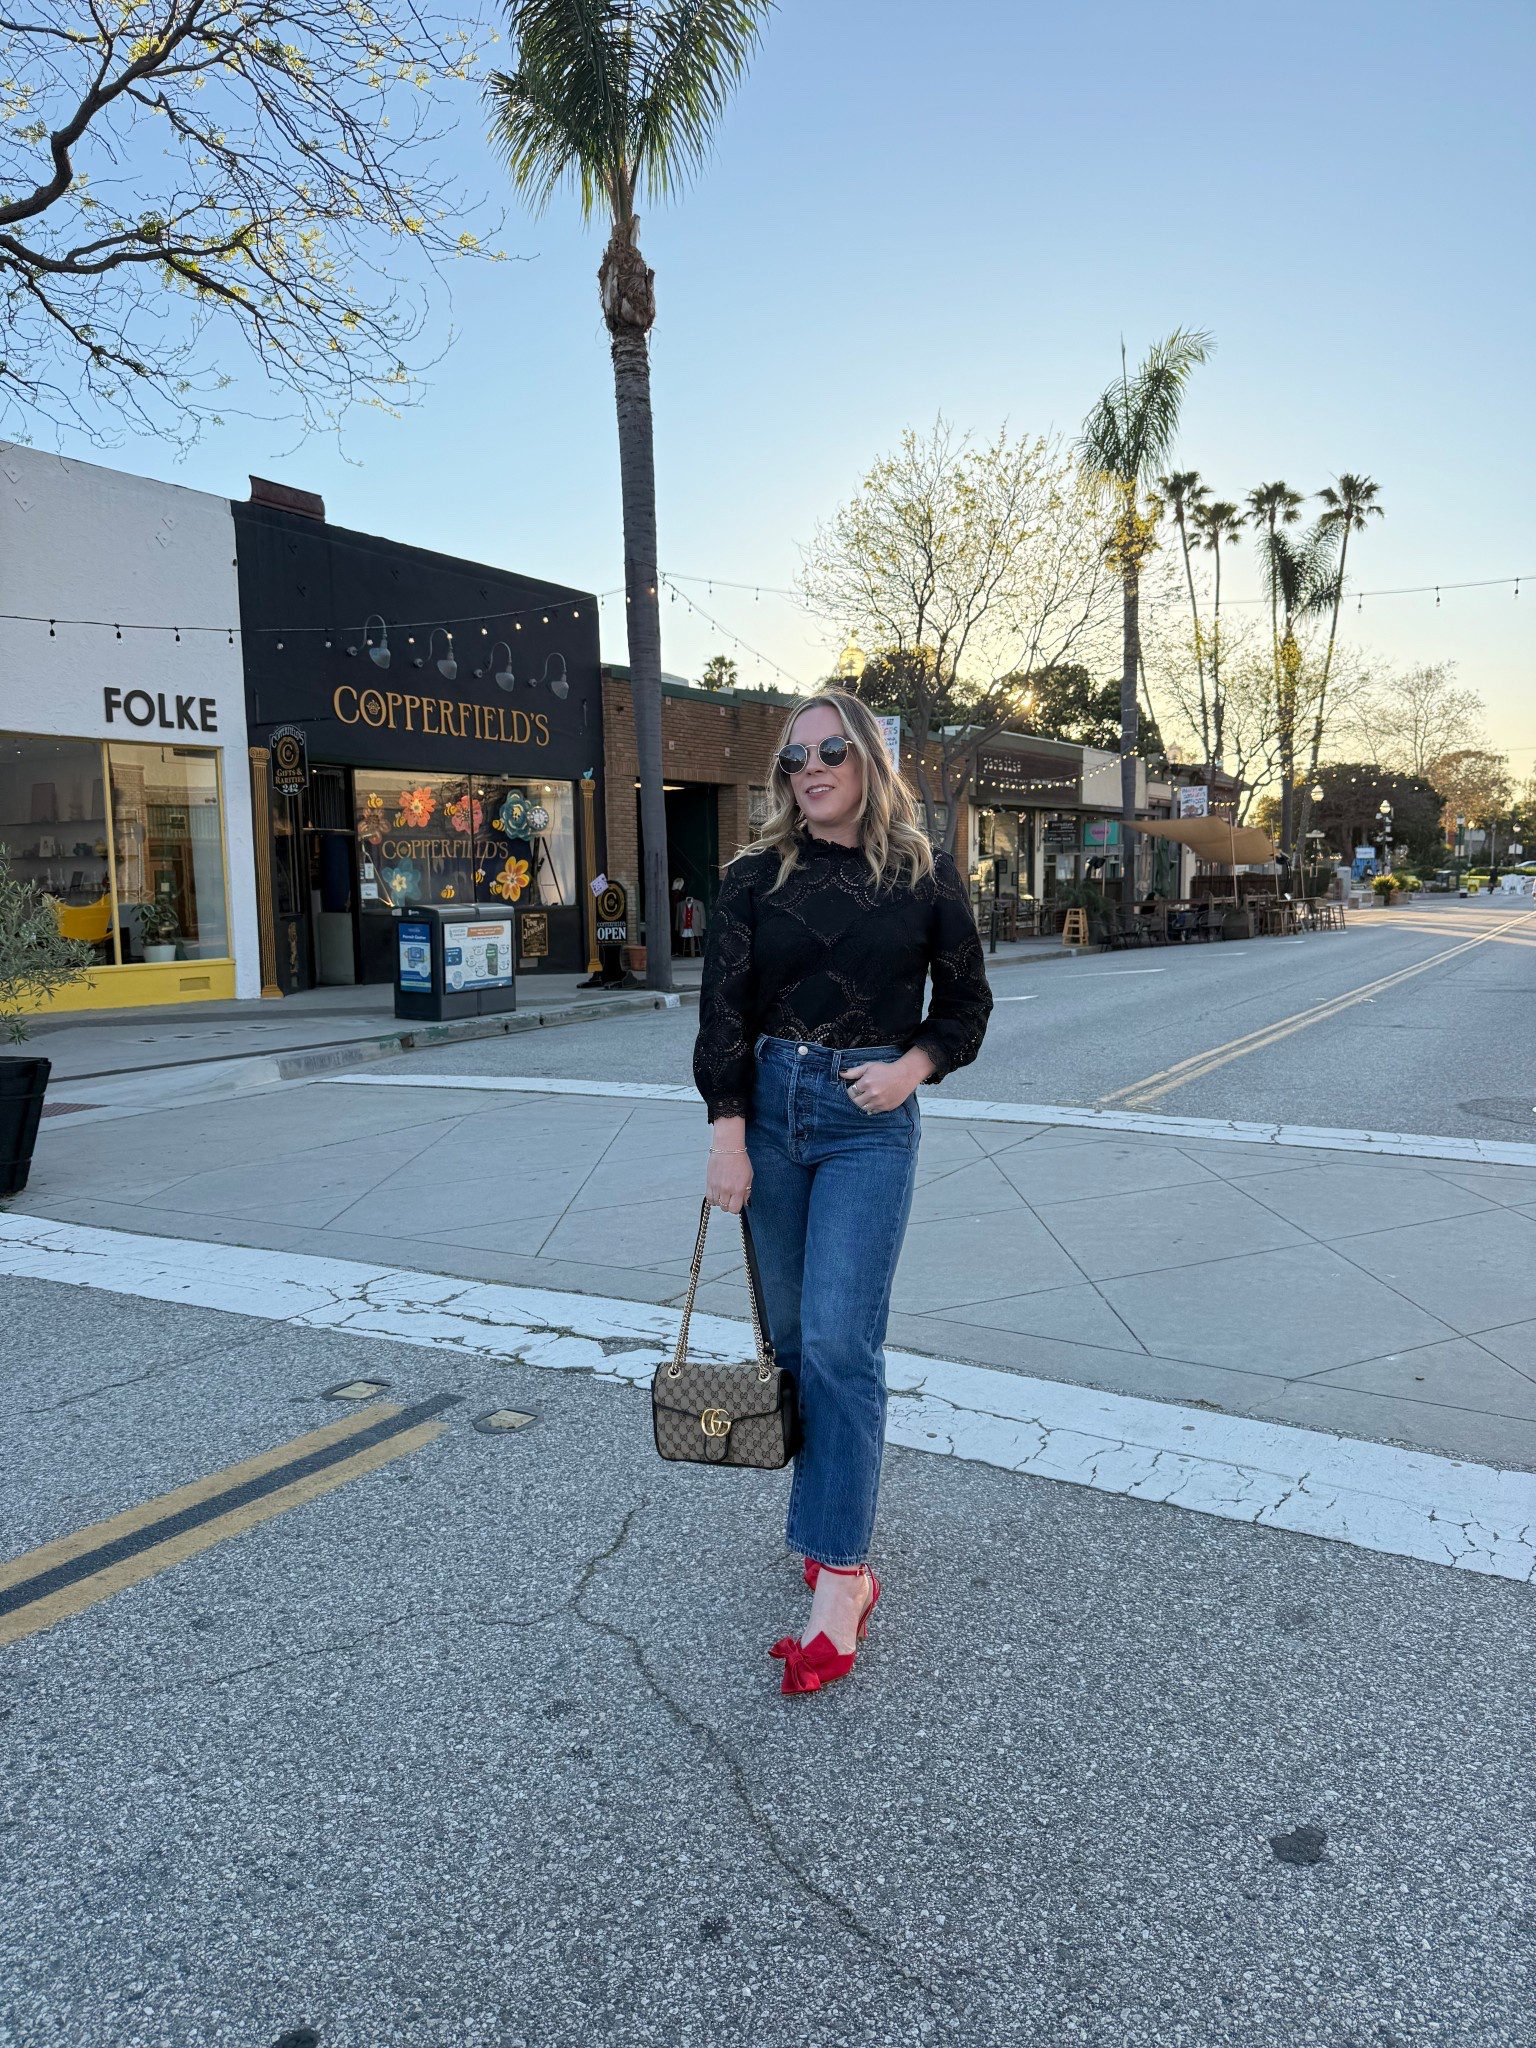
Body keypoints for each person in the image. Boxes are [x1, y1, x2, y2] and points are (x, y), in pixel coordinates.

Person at [693, 688, 992, 1697]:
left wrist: (910, 1069)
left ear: (867, 758)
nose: (809, 768)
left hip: (868, 1119)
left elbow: (966, 1004)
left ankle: (843, 1578)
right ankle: (827, 1529)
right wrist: (728, 1134)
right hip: (770, 1113)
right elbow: (722, 1014)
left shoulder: (923, 872)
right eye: (793, 757)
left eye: (829, 750)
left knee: (839, 1343)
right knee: (792, 1343)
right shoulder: (751, 875)